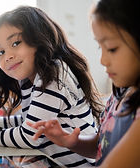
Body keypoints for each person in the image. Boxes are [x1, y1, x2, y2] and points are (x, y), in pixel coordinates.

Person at [0, 6, 103, 167]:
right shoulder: (31, 79)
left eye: (15, 43)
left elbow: (29, 136)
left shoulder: (53, 74)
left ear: (39, 39)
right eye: (0, 52)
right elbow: (26, 122)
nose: (8, 56)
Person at [28, 0, 140, 167]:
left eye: (111, 48)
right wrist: (71, 141)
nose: (102, 60)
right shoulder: (118, 95)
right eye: (99, 47)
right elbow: (101, 145)